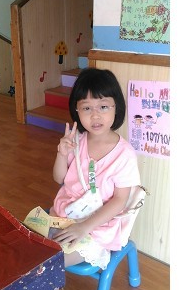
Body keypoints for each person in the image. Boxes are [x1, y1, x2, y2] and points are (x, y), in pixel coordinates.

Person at [49, 68, 141, 270]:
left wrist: (83, 227)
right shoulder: (76, 141)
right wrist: (61, 153)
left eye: (103, 106)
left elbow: (120, 200)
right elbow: (59, 179)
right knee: (27, 247)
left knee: (48, 263)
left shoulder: (124, 154)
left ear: (116, 107)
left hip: (96, 228)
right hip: (63, 215)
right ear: (77, 110)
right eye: (87, 108)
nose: (95, 115)